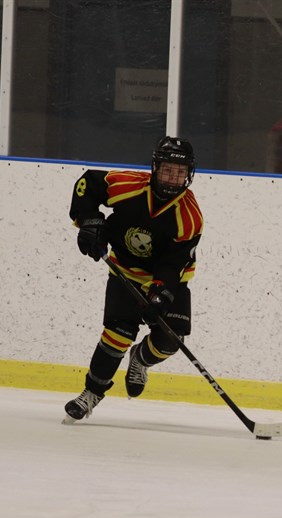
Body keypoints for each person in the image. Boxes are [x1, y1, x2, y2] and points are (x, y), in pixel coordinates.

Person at [63, 136, 203, 422]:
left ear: (188, 175)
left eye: (179, 172)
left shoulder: (190, 216)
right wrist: (89, 221)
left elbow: (175, 262)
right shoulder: (128, 185)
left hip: (168, 277)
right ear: (155, 168)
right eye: (167, 170)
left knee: (170, 340)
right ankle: (91, 394)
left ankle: (140, 359)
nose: (173, 178)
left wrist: (161, 291)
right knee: (117, 334)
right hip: (124, 270)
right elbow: (88, 183)